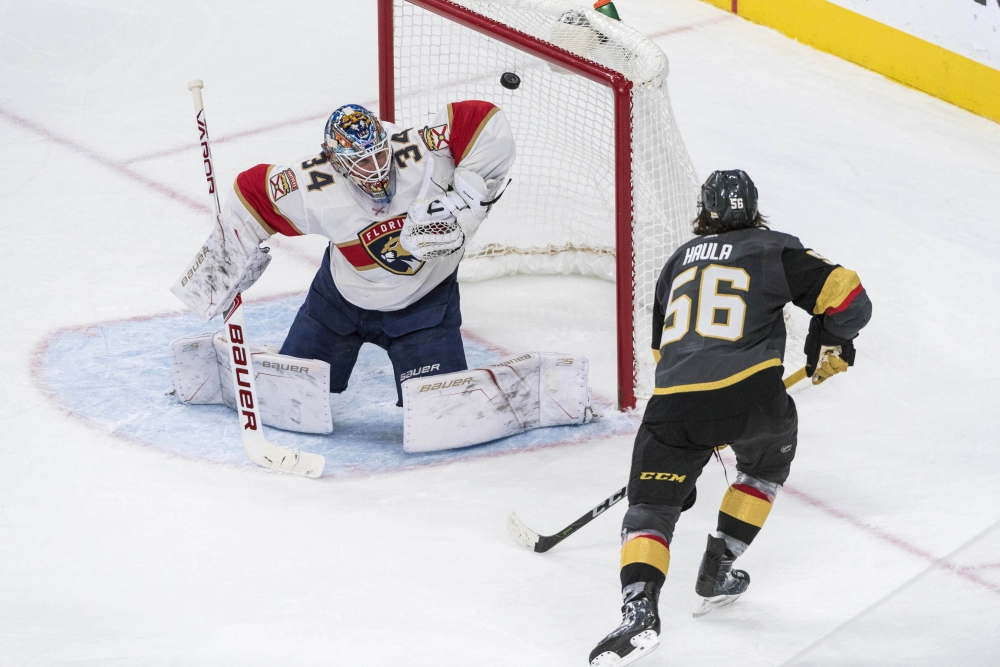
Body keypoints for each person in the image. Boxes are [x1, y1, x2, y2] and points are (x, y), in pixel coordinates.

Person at [588, 170, 872, 666]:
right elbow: (848, 296)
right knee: (762, 468)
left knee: (651, 511)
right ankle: (719, 567)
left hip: (674, 408)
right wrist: (831, 338)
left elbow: (664, 355)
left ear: (703, 213)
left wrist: (692, 443)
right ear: (755, 209)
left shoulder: (675, 264)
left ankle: (639, 612)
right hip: (756, 402)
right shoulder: (772, 249)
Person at [172, 102, 515, 405]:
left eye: (380, 153)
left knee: (441, 409)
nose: (377, 168)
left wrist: (463, 204)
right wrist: (222, 266)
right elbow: (251, 192)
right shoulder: (312, 185)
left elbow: (483, 120)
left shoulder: (421, 154)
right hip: (339, 306)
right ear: (333, 158)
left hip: (425, 308)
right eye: (362, 161)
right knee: (293, 395)